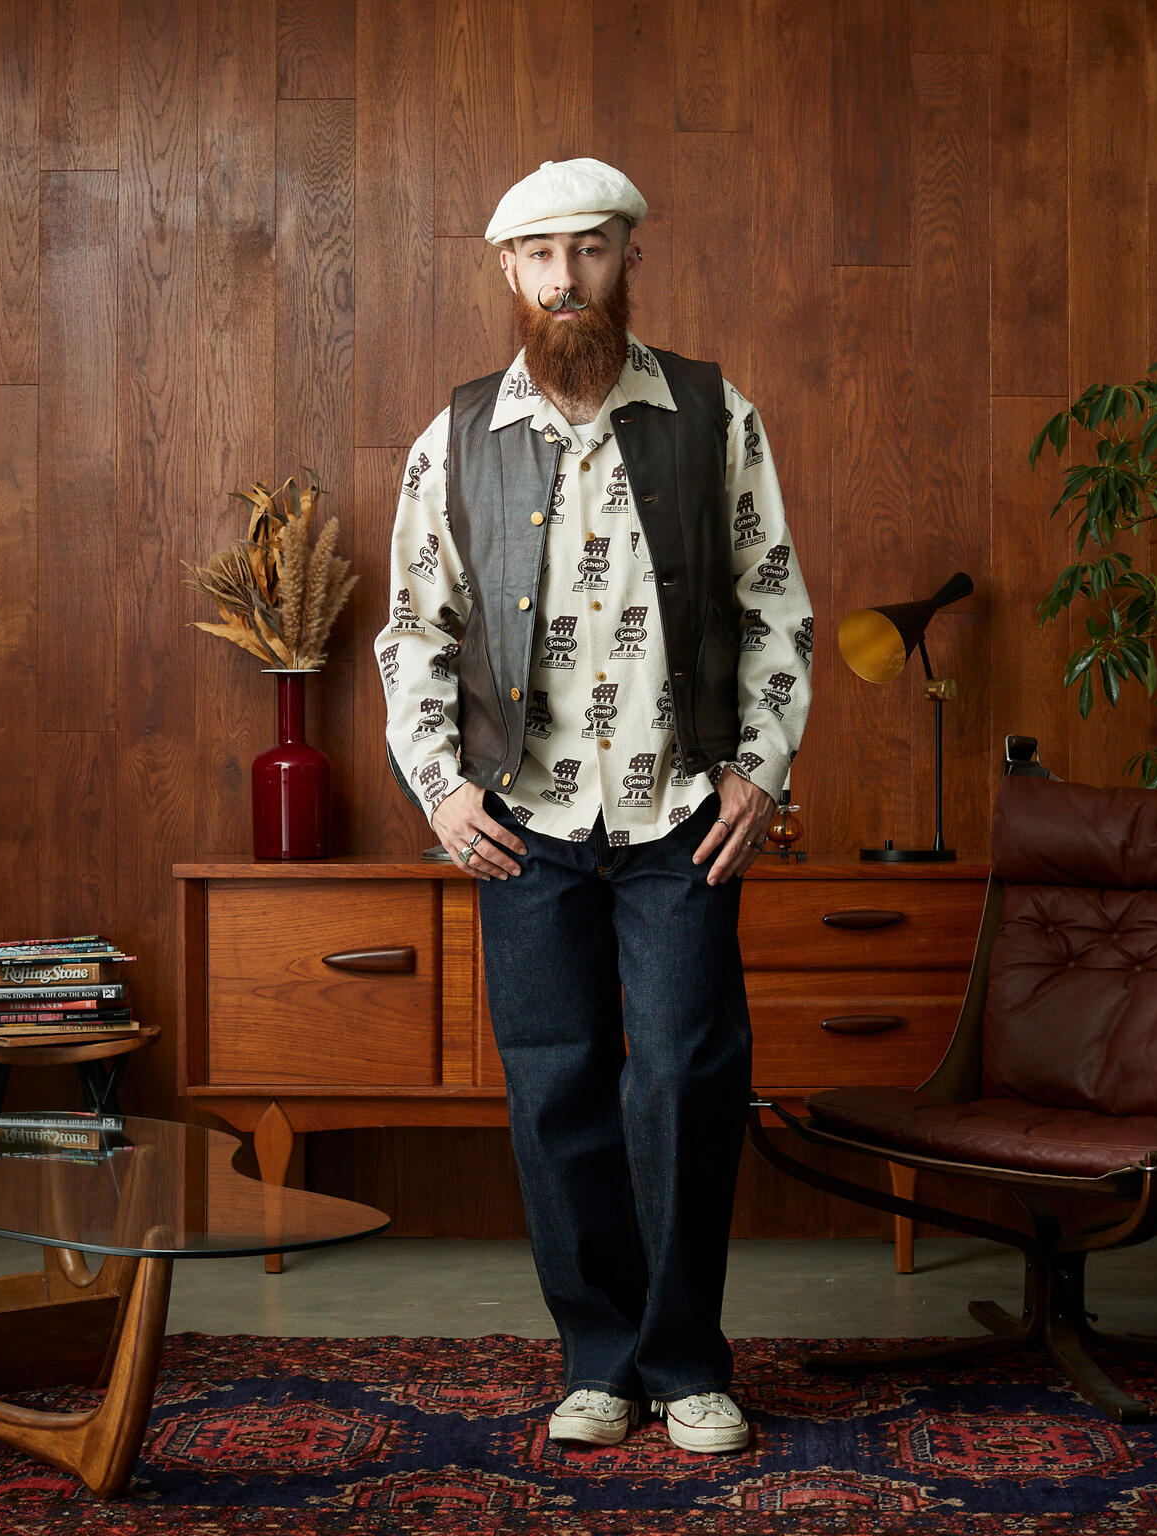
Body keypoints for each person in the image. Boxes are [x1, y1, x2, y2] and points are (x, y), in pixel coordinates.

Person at [376, 158, 812, 1454]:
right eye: (540, 256)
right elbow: (414, 631)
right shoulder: (455, 437)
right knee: (555, 1086)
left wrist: (761, 767)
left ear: (628, 256)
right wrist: (439, 787)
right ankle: (600, 1361)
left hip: (682, 814)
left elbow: (774, 599)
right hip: (525, 824)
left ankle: (686, 1365)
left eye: (590, 250)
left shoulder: (714, 415)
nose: (566, 280)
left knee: (684, 1079)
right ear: (507, 273)